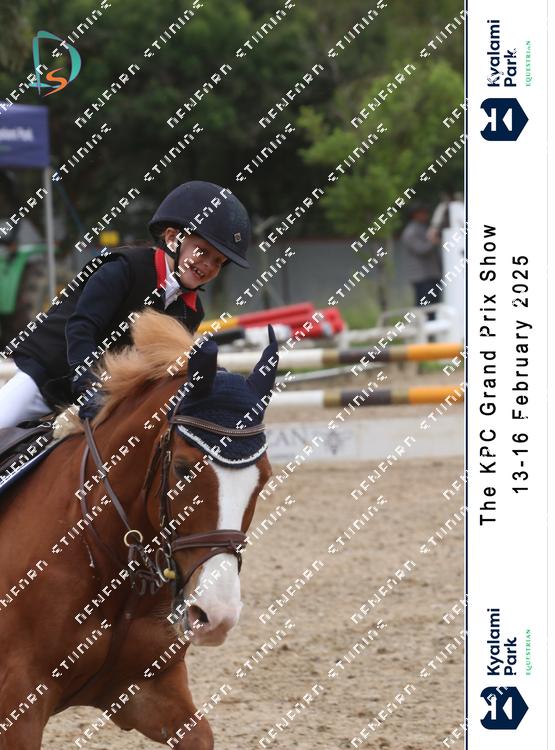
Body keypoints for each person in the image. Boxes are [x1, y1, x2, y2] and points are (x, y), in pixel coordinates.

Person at [0, 181, 251, 429]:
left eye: (218, 261)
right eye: (203, 252)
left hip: (110, 399)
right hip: (48, 376)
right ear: (173, 238)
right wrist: (89, 387)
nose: (208, 265)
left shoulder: (191, 311)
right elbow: (81, 328)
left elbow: (160, 367)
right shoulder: (123, 269)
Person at [400, 203, 442, 307]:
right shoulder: (410, 232)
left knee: (435, 306)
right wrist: (433, 242)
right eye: (422, 213)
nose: (425, 215)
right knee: (424, 308)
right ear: (414, 214)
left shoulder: (425, 228)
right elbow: (421, 250)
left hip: (432, 275)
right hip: (421, 277)